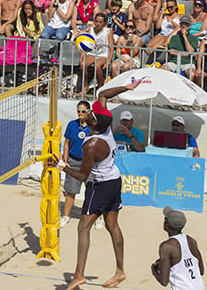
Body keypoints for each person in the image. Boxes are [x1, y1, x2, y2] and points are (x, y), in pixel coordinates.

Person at [51, 78, 142, 290]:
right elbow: (103, 95)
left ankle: (78, 275)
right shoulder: (107, 127)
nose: (90, 113)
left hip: (100, 184)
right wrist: (126, 88)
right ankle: (120, 270)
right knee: (112, 224)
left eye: (91, 114)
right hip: (114, 179)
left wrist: (61, 166)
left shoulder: (91, 145)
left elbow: (82, 176)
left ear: (93, 123)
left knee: (83, 226)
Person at [151, 206, 205, 289]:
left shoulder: (166, 246)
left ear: (167, 224)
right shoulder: (192, 241)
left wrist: (154, 270)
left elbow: (164, 281)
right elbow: (200, 271)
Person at [60, 101, 92, 228]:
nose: (80, 113)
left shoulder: (92, 126)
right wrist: (65, 160)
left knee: (92, 190)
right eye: (78, 110)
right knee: (70, 191)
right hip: (73, 161)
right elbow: (66, 143)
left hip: (88, 162)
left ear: (89, 112)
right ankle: (66, 216)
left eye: (83, 111)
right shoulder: (72, 124)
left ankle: (97, 217)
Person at [77, 13, 114, 95]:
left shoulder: (108, 32)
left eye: (100, 22)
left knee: (98, 66)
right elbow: (85, 44)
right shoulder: (90, 30)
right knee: (83, 64)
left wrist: (109, 61)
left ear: (104, 23)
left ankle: (100, 88)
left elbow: (111, 48)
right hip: (92, 53)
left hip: (103, 54)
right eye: (96, 21)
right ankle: (85, 86)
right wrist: (81, 57)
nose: (98, 24)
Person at [161, 15, 199, 79]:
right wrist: (187, 54)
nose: (184, 26)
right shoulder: (174, 37)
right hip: (174, 61)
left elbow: (191, 52)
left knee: (192, 74)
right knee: (161, 70)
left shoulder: (194, 38)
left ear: (189, 25)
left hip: (188, 63)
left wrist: (184, 37)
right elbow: (172, 52)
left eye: (186, 24)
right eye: (182, 24)